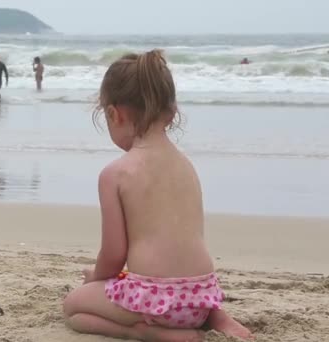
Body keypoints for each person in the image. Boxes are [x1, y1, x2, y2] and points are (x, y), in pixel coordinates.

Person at [62, 50, 252, 342]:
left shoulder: (116, 174)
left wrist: (95, 280)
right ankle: (217, 318)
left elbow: (113, 256)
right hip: (201, 299)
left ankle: (144, 331)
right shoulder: (186, 166)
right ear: (172, 112)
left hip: (156, 303)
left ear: (114, 114)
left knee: (73, 308)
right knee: (160, 273)